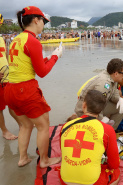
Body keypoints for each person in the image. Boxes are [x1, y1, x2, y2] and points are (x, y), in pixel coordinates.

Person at [4, 6, 62, 167]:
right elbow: (42, 73)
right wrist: (56, 56)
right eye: (43, 20)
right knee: (43, 125)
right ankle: (44, 160)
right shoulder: (33, 41)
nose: (44, 24)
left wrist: (48, 57)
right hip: (25, 89)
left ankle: (22, 158)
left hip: (10, 88)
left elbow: (26, 65)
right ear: (36, 20)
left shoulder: (17, 38)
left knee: (26, 124)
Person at [61, 90, 120, 185]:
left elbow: (65, 152)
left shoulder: (66, 126)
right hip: (92, 182)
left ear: (84, 105)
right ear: (101, 110)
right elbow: (114, 164)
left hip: (65, 180)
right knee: (116, 173)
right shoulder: (107, 130)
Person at [71, 58, 123, 130]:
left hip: (98, 106)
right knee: (101, 121)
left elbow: (114, 96)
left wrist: (120, 100)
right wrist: (102, 119)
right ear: (116, 73)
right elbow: (96, 105)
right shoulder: (104, 83)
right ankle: (104, 131)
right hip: (86, 109)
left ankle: (110, 131)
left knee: (122, 108)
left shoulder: (113, 79)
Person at [0, 13, 21, 140]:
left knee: (13, 103)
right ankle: (4, 131)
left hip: (6, 78)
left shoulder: (1, 39)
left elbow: (5, 56)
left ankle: (21, 124)